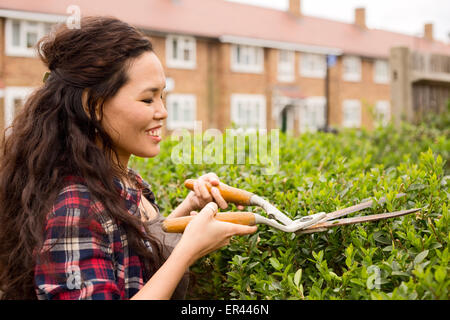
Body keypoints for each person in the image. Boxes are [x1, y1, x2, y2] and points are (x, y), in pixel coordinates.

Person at [0, 16, 257, 300]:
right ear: (93, 105)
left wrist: (190, 208)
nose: (162, 112)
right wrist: (186, 252)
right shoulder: (75, 205)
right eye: (148, 99)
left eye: (162, 97)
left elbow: (131, 258)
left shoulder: (126, 181)